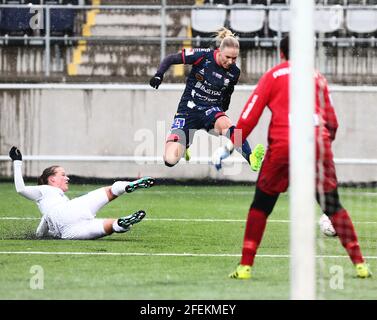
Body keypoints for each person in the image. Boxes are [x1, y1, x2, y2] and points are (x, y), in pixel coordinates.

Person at [212, 36, 371, 279]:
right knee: (333, 206)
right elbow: (333, 122)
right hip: (318, 144)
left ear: (281, 52)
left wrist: (230, 146)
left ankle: (245, 267)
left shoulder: (273, 76)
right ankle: (360, 264)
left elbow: (248, 118)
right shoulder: (317, 77)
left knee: (261, 206)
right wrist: (325, 145)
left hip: (283, 146)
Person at [149, 27, 265, 171]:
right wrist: (159, 74)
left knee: (228, 126)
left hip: (211, 110)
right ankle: (184, 144)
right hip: (188, 111)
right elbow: (170, 58)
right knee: (170, 159)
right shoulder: (203, 56)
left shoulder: (234, 72)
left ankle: (251, 157)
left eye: (234, 58)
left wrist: (222, 111)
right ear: (219, 51)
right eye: (227, 57)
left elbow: (228, 92)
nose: (230, 61)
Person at [9, 146, 155, 240]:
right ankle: (128, 186)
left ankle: (121, 223)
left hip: (68, 232)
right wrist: (17, 162)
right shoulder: (46, 189)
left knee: (107, 227)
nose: (67, 178)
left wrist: (38, 236)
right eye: (63, 175)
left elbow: (45, 223)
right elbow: (21, 189)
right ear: (52, 179)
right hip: (69, 211)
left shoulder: (49, 201)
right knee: (110, 191)